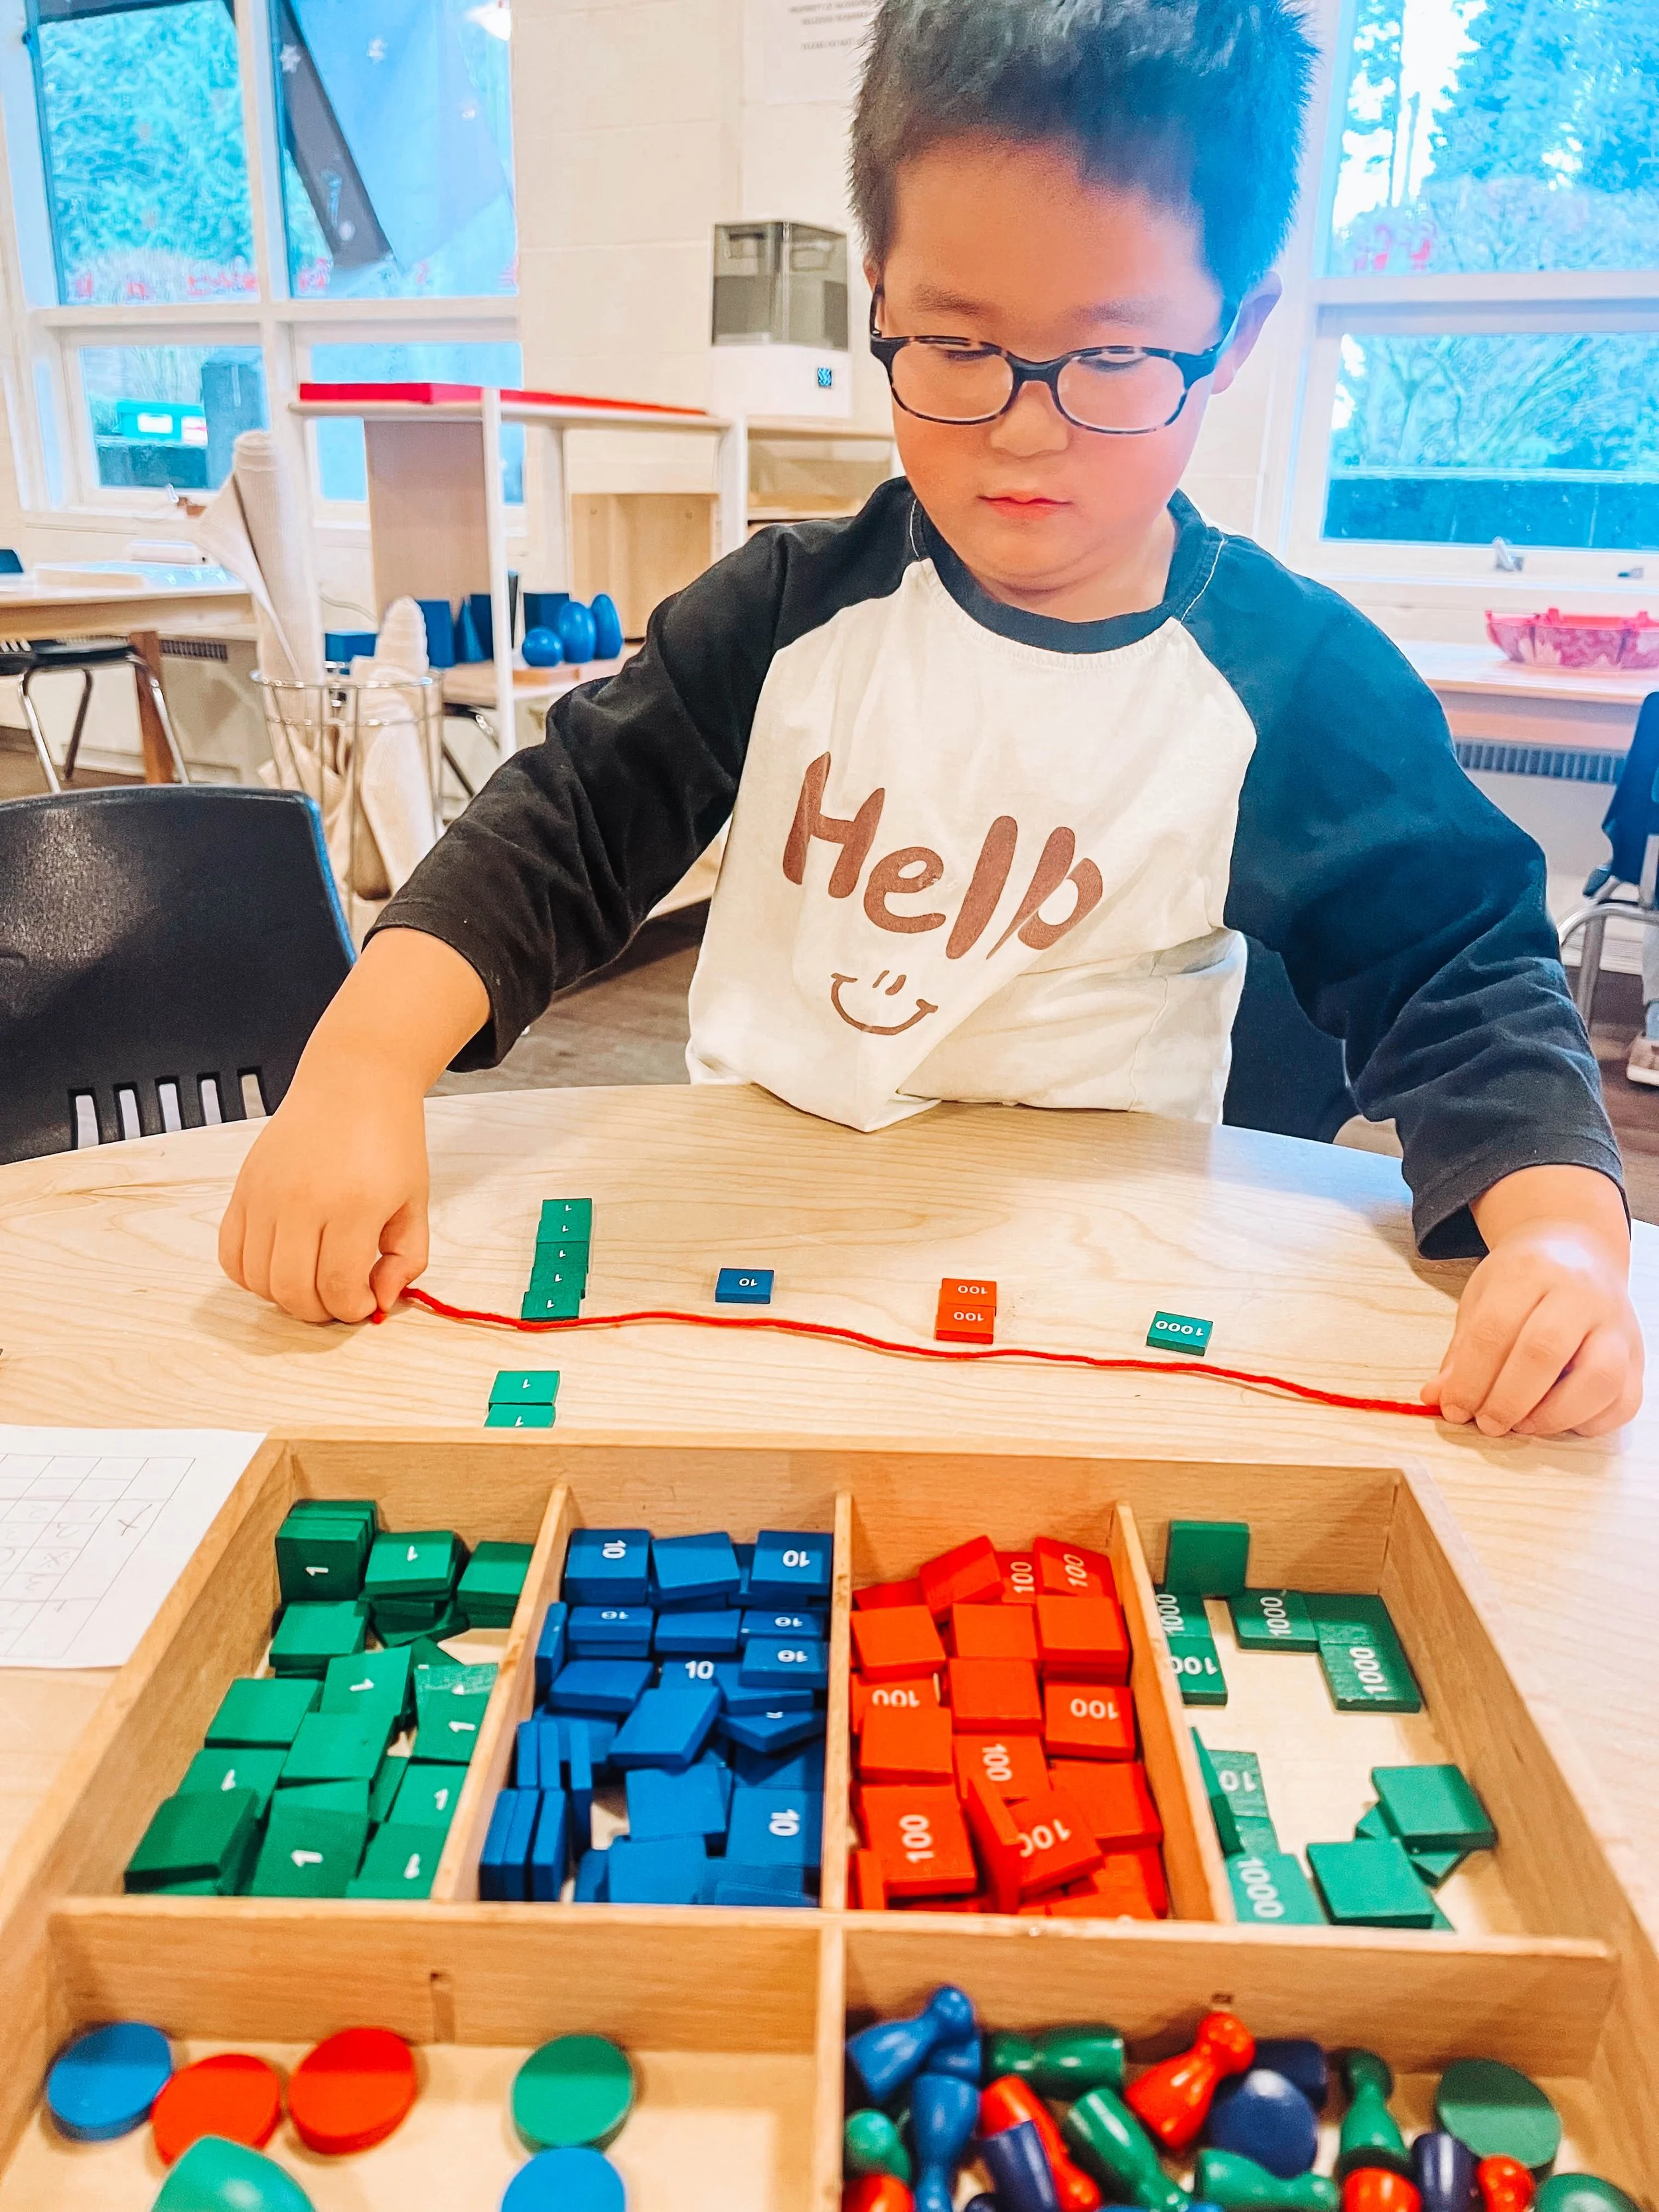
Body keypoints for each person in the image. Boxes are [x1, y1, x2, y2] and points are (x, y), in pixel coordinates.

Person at [220, 0, 1642, 1439]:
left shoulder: (1291, 681)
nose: (1023, 429)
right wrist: (356, 1073)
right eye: (956, 345)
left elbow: (1459, 970)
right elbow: (563, 826)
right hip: (757, 1248)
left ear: (1232, 334)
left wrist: (1562, 1239)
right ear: (879, 293)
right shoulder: (786, 612)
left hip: (1097, 1291)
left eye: (1111, 358)